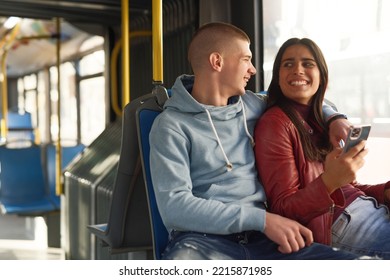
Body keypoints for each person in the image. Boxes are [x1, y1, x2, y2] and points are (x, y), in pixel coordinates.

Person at [149, 22, 364, 260]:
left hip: (264, 239)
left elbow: (302, 99)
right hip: (202, 241)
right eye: (246, 59)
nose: (252, 69)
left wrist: (335, 118)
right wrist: (262, 220)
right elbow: (175, 207)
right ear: (217, 62)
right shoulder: (171, 126)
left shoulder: (252, 105)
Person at [254, 37, 390, 259]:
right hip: (340, 224)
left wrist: (383, 192)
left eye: (308, 63)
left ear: (321, 76)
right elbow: (282, 208)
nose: (298, 70)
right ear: (277, 77)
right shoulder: (274, 123)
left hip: (368, 209)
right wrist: (329, 181)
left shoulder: (323, 120)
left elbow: (347, 190)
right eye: (288, 64)